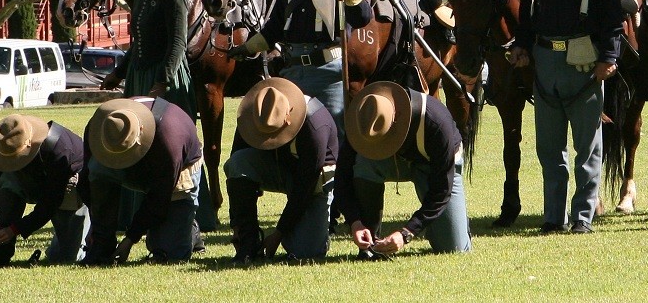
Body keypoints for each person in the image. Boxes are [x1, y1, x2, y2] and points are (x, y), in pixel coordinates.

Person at [507, 0, 624, 234]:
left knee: (587, 147)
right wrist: (521, 46)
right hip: (545, 59)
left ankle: (583, 218)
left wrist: (609, 56)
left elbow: (612, 16)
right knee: (548, 147)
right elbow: (528, 10)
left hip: (585, 61)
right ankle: (552, 218)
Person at [230, 0, 372, 128]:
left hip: (330, 73)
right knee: (294, 134)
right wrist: (245, 49)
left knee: (332, 137)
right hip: (293, 72)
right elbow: (275, 28)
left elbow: (362, 18)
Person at [337, 81, 470, 257]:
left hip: (435, 167)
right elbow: (342, 176)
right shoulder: (364, 118)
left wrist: (406, 233)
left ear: (398, 115)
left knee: (453, 247)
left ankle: (448, 225)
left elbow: (441, 190)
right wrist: (355, 222)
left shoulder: (436, 122)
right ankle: (370, 243)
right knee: (365, 162)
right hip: (396, 161)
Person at [224, 77, 337, 263]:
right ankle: (249, 240)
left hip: (313, 182)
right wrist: (237, 225)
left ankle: (316, 234)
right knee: (237, 163)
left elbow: (305, 184)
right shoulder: (256, 113)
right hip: (279, 167)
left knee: (304, 251)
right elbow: (237, 161)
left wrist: (279, 232)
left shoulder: (315, 125)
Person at [79, 97, 204, 264]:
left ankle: (190, 229)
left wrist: (130, 240)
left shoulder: (169, 138)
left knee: (168, 252)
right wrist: (98, 229)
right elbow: (86, 179)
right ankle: (103, 244)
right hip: (141, 165)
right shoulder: (101, 125)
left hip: (178, 171)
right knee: (98, 168)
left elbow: (159, 198)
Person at [0, 114, 87, 265]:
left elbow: (50, 202)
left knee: (64, 257)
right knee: (8, 180)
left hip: (69, 187)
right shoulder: (6, 146)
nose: (12, 162)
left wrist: (15, 229)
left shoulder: (60, 150)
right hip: (37, 182)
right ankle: (1, 250)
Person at [102, 0, 192, 113]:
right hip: (138, 74)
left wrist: (163, 81)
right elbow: (139, 42)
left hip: (165, 74)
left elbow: (178, 43)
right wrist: (118, 74)